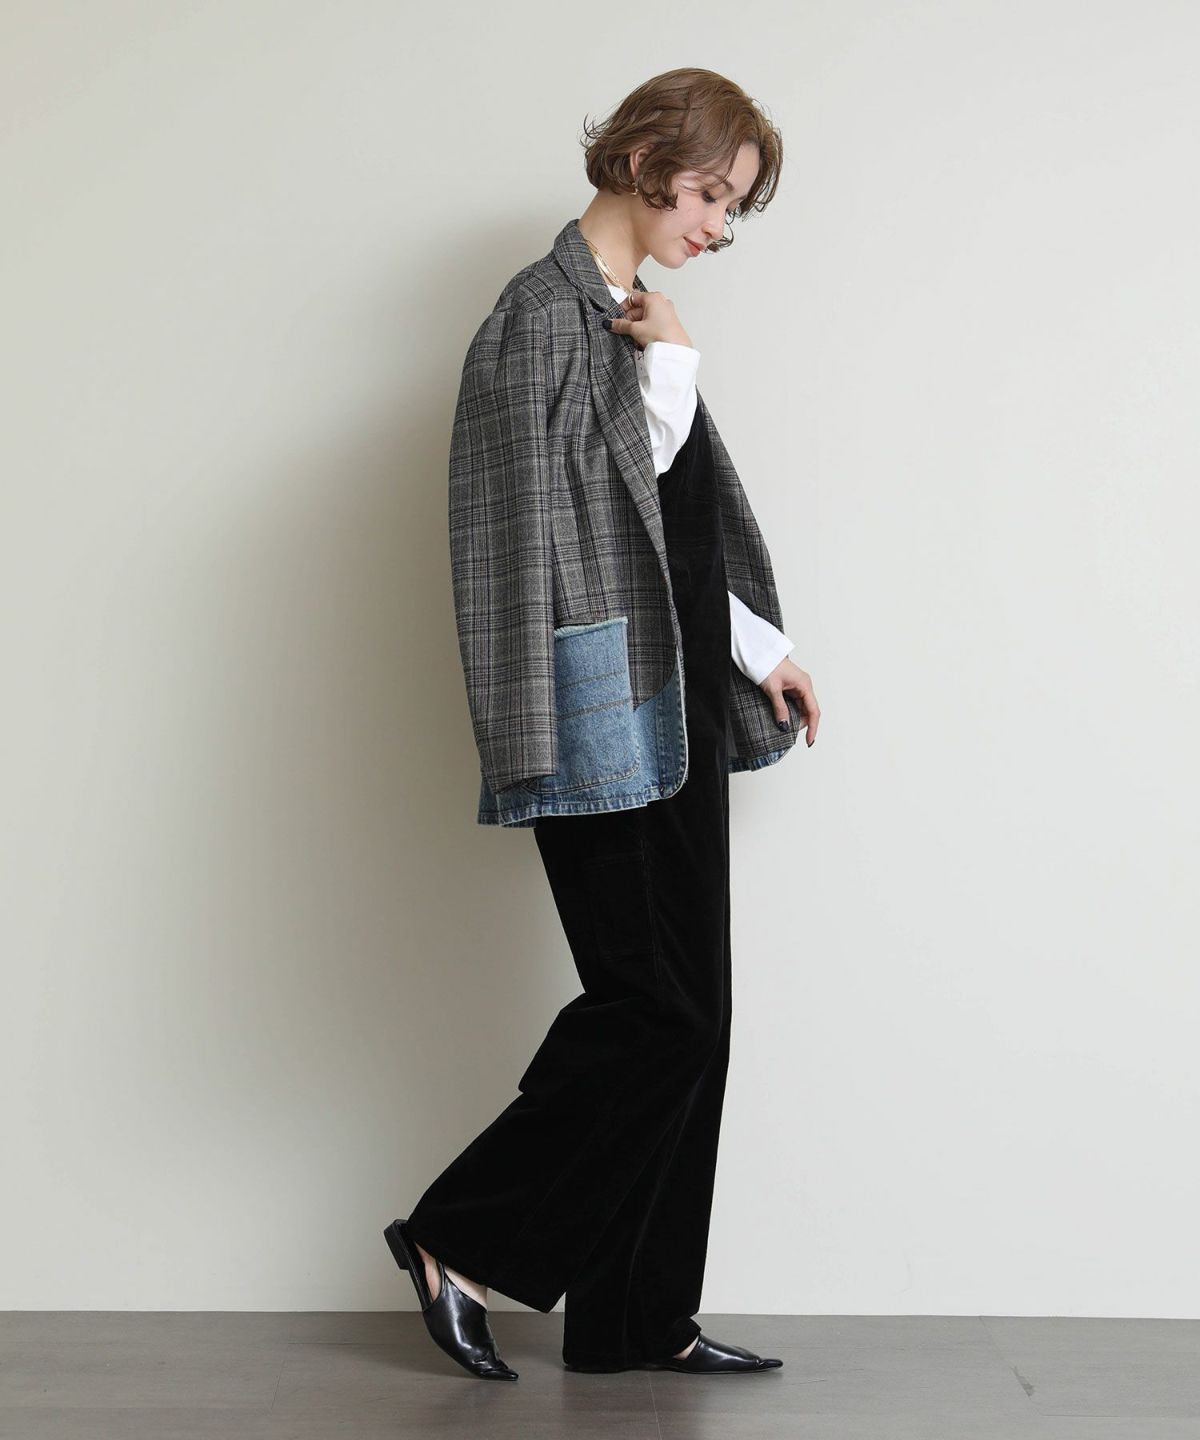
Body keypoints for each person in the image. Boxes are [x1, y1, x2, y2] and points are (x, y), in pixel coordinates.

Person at [385, 67, 821, 1381]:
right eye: (711, 196)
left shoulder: (629, 315)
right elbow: (555, 521)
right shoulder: (537, 318)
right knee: (655, 1009)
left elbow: (667, 527)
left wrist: (764, 649)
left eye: (734, 208)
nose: (719, 226)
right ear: (643, 161)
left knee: (702, 1016)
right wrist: (674, 366)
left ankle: (638, 1317)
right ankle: (458, 1237)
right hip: (599, 710)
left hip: (677, 698)